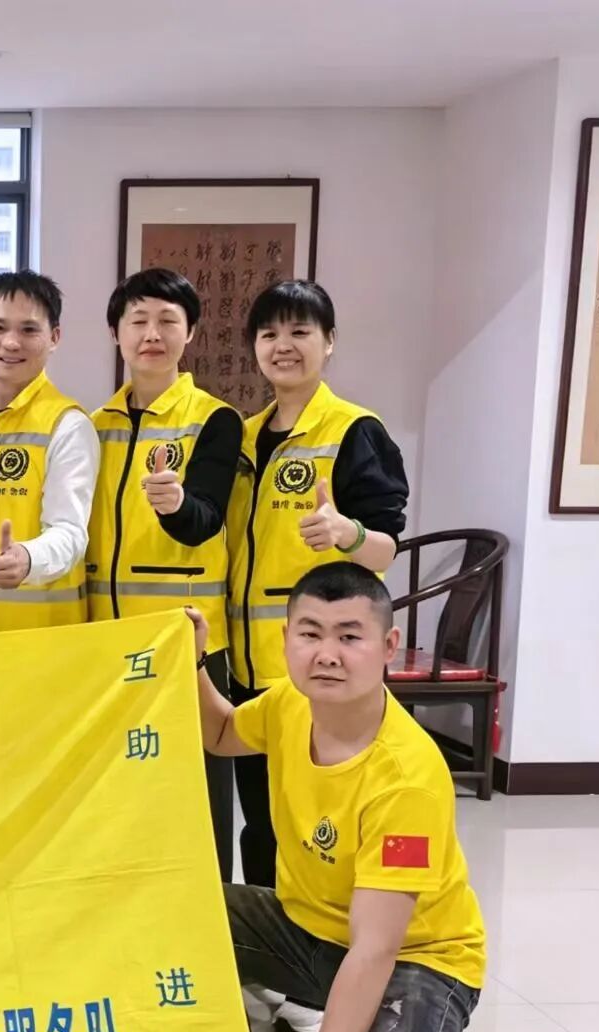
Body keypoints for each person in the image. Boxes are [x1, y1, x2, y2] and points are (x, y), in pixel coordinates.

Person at [184, 563, 485, 1032]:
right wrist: (194, 662)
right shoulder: (291, 704)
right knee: (180, 913)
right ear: (286, 639)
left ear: (388, 645)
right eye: (310, 633)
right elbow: (221, 731)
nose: (326, 654)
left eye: (349, 636)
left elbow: (375, 949)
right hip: (312, 930)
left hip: (419, 959)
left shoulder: (405, 780)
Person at [226, 281, 409, 898]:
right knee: (262, 822)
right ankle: (270, 940)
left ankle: (324, 935)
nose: (284, 345)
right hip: (250, 667)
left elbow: (387, 547)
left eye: (300, 331)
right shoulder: (243, 436)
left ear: (329, 342)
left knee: (318, 824)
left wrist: (346, 533)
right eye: (270, 333)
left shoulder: (355, 430)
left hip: (322, 669)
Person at [89, 268, 243, 871]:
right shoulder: (93, 425)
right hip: (109, 643)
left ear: (190, 332)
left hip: (186, 640)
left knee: (198, 794)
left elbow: (205, 519)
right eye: (138, 321)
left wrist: (176, 504)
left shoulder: (214, 419)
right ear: (116, 333)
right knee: (122, 795)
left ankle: (211, 908)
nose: (152, 334)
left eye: (167, 321)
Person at [0, 270, 97, 635]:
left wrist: (28, 558)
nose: (11, 343)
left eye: (28, 330)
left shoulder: (67, 424)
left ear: (54, 337)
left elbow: (70, 532)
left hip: (37, 640)